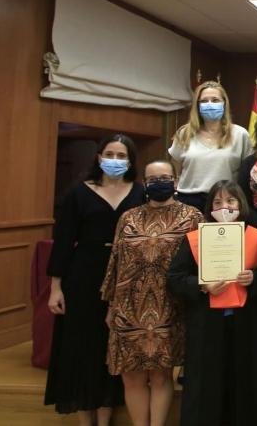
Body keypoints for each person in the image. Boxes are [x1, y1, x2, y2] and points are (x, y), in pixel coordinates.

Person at [45, 135, 143, 425]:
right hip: (84, 275)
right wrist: (55, 288)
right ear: (99, 158)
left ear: (130, 161)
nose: (114, 160)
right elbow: (62, 242)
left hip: (126, 276)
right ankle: (85, 418)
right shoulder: (79, 192)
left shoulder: (140, 193)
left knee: (111, 345)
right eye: (109, 154)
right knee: (82, 344)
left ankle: (106, 414)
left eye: (121, 155)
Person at [101, 160, 203, 426]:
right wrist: (111, 304)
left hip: (170, 305)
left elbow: (200, 261)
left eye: (165, 177)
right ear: (144, 184)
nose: (160, 182)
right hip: (128, 305)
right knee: (131, 375)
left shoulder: (193, 216)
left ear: (176, 180)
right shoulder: (128, 217)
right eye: (153, 178)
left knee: (161, 375)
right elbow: (115, 261)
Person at [167, 180, 257, 426]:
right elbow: (175, 278)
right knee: (207, 386)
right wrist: (202, 285)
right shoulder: (195, 238)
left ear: (241, 204)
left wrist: (254, 278)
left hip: (247, 326)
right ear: (209, 207)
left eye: (230, 201)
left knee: (247, 383)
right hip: (208, 326)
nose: (224, 206)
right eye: (217, 202)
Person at [169, 81, 253, 209]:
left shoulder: (240, 134)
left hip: (225, 202)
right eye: (204, 101)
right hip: (188, 200)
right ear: (197, 106)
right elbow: (174, 169)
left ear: (224, 103)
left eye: (215, 100)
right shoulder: (185, 133)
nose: (210, 104)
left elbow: (248, 172)